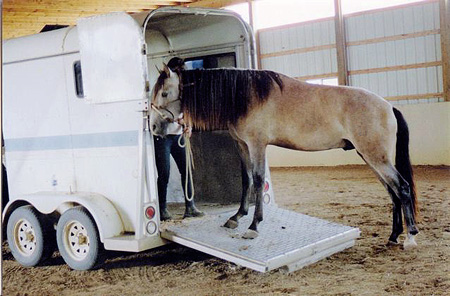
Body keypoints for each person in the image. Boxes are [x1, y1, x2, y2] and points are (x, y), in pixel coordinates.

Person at [154, 57, 204, 221]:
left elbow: (185, 108)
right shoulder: (163, 86)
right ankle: (162, 209)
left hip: (178, 135)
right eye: (179, 70)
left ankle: (190, 207)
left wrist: (188, 123)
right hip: (162, 135)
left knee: (187, 170)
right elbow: (158, 109)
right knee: (164, 173)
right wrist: (173, 119)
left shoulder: (182, 86)